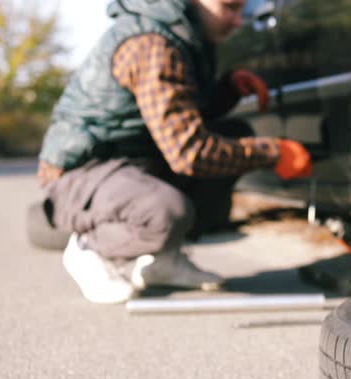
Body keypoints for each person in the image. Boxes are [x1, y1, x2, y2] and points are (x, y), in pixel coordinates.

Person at [36, 0, 312, 304]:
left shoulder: (183, 34)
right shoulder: (153, 44)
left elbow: (177, 115)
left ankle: (163, 261)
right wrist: (273, 153)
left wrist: (229, 89)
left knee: (234, 135)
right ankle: (91, 248)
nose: (238, 21)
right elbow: (189, 152)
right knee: (166, 212)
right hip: (82, 174)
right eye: (229, 8)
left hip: (132, 162)